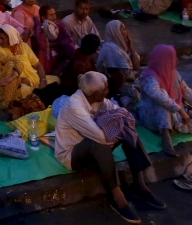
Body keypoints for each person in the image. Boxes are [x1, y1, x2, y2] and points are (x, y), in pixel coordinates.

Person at [53, 72, 162, 224]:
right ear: (96, 93)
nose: (108, 92)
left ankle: (140, 185)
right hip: (72, 155)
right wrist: (118, 125)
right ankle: (117, 197)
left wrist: (122, 125)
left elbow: (119, 113)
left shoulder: (98, 100)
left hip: (93, 148)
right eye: (105, 89)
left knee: (128, 129)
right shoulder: (74, 106)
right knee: (101, 142)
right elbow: (101, 138)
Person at [136, 44, 192, 156]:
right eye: (173, 58)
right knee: (163, 98)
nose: (177, 60)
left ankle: (172, 127)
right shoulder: (149, 76)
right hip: (152, 118)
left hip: (173, 115)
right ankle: (165, 137)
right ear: (164, 60)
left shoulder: (174, 74)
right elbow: (156, 94)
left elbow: (188, 93)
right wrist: (180, 110)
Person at [96, 19, 142, 101]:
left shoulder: (120, 46)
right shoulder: (112, 49)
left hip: (125, 79)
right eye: (123, 29)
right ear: (116, 33)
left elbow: (136, 65)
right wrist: (136, 72)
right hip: (116, 84)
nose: (126, 32)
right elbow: (129, 75)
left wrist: (131, 48)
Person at [0, 24, 42, 96]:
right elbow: (0, 74)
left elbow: (38, 65)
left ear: (11, 38)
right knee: (25, 90)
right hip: (18, 85)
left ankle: (40, 91)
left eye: (2, 38)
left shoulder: (24, 46)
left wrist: (43, 81)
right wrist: (20, 80)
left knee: (55, 79)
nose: (0, 41)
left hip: (35, 79)